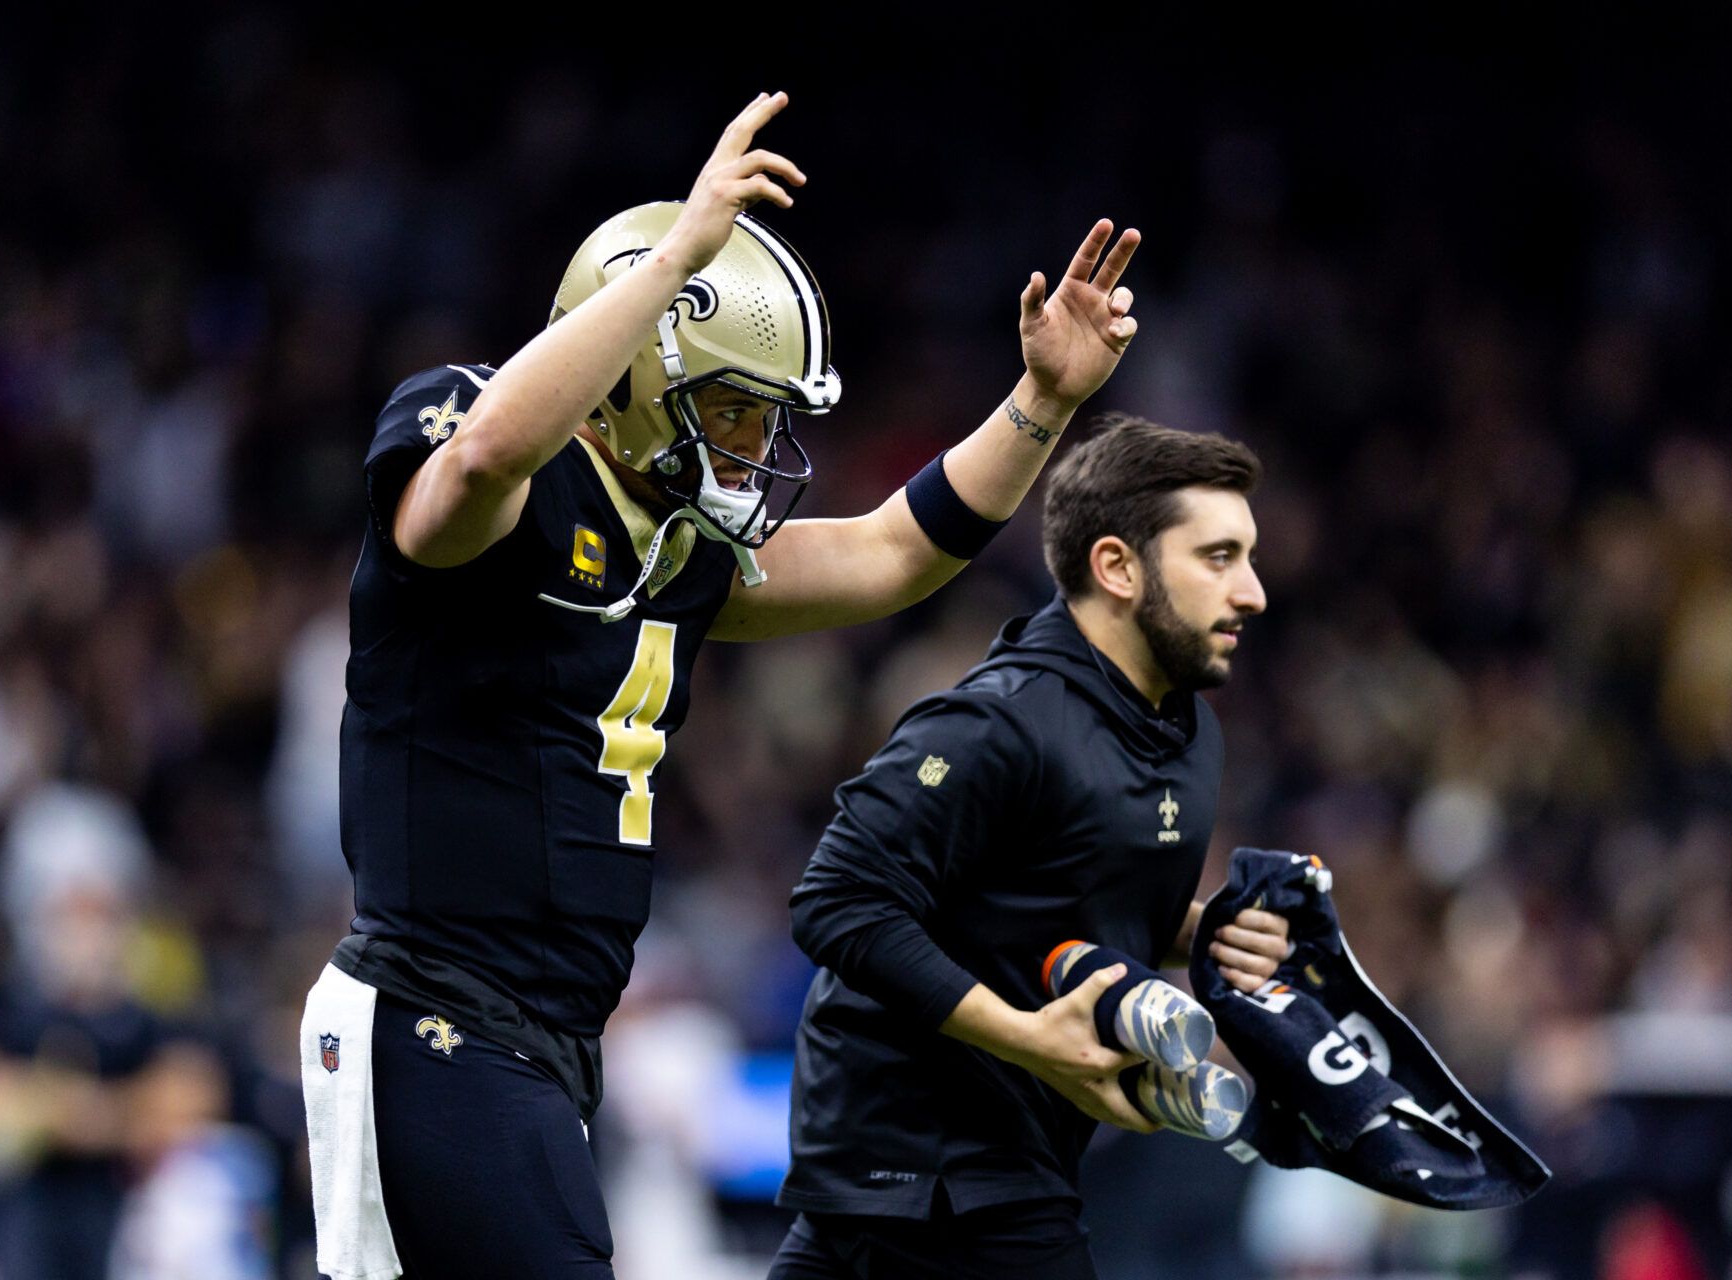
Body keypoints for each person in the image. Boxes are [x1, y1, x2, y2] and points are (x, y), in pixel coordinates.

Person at [299, 91, 1144, 1279]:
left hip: (539, 1041)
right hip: (431, 1012)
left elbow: (894, 551)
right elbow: (482, 460)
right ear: (637, 368)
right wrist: (678, 259)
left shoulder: (674, 547)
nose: (752, 444)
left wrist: (1043, 403)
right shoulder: (474, 442)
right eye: (732, 405)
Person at [771, 418, 1295, 1279]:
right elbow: (838, 898)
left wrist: (1202, 935)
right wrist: (1024, 1036)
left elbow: (1054, 902)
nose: (1252, 592)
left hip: (992, 1169)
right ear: (1118, 567)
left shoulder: (1188, 729)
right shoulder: (997, 723)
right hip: (929, 1172)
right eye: (1218, 557)